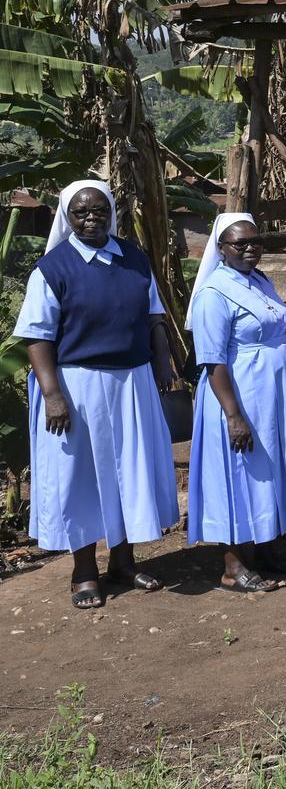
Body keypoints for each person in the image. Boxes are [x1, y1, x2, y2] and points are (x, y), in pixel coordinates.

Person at [15, 180, 181, 609]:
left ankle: (124, 562)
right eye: (81, 213)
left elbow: (154, 316)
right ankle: (84, 570)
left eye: (99, 211)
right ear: (67, 218)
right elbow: (37, 338)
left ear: (111, 212)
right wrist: (52, 395)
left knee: (129, 470)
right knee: (81, 477)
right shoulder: (53, 268)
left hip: (132, 382)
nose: (91, 219)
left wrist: (163, 362)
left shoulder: (133, 259)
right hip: (76, 384)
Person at [186, 214, 286, 593]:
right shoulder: (214, 293)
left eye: (255, 241)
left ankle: (264, 547)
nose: (250, 249)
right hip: (239, 393)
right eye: (239, 244)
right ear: (221, 248)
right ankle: (233, 564)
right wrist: (234, 415)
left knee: (269, 468)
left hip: (274, 392)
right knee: (238, 473)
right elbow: (213, 360)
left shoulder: (259, 281)